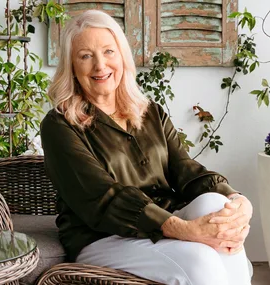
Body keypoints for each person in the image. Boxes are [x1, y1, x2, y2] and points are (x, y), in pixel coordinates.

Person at [40, 10, 253, 285]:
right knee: (201, 259)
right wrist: (183, 230)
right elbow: (105, 196)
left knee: (217, 205)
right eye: (85, 56)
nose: (100, 65)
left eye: (108, 51)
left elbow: (186, 170)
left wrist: (238, 200)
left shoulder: (150, 112)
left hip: (163, 219)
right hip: (103, 236)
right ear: (71, 65)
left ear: (122, 56)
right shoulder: (59, 125)